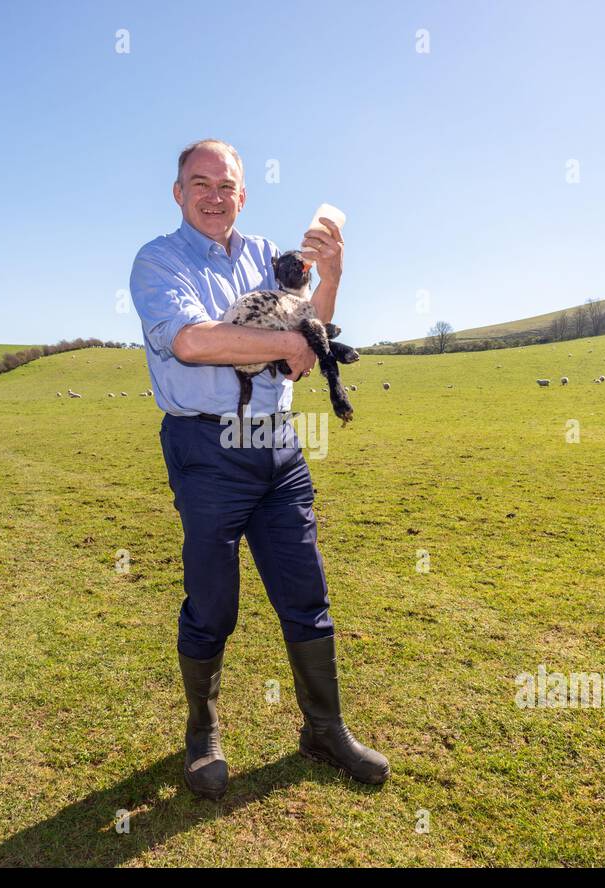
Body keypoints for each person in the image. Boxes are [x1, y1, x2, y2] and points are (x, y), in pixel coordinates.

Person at [129, 138, 389, 799]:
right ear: (179, 192)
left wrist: (328, 278)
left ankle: (325, 729)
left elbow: (314, 330)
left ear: (243, 194)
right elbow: (191, 341)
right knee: (213, 603)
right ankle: (202, 730)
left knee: (307, 592)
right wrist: (287, 343)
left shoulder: (268, 255)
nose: (215, 195)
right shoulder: (159, 261)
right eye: (201, 183)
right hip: (207, 451)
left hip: (278, 445)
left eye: (227, 185)